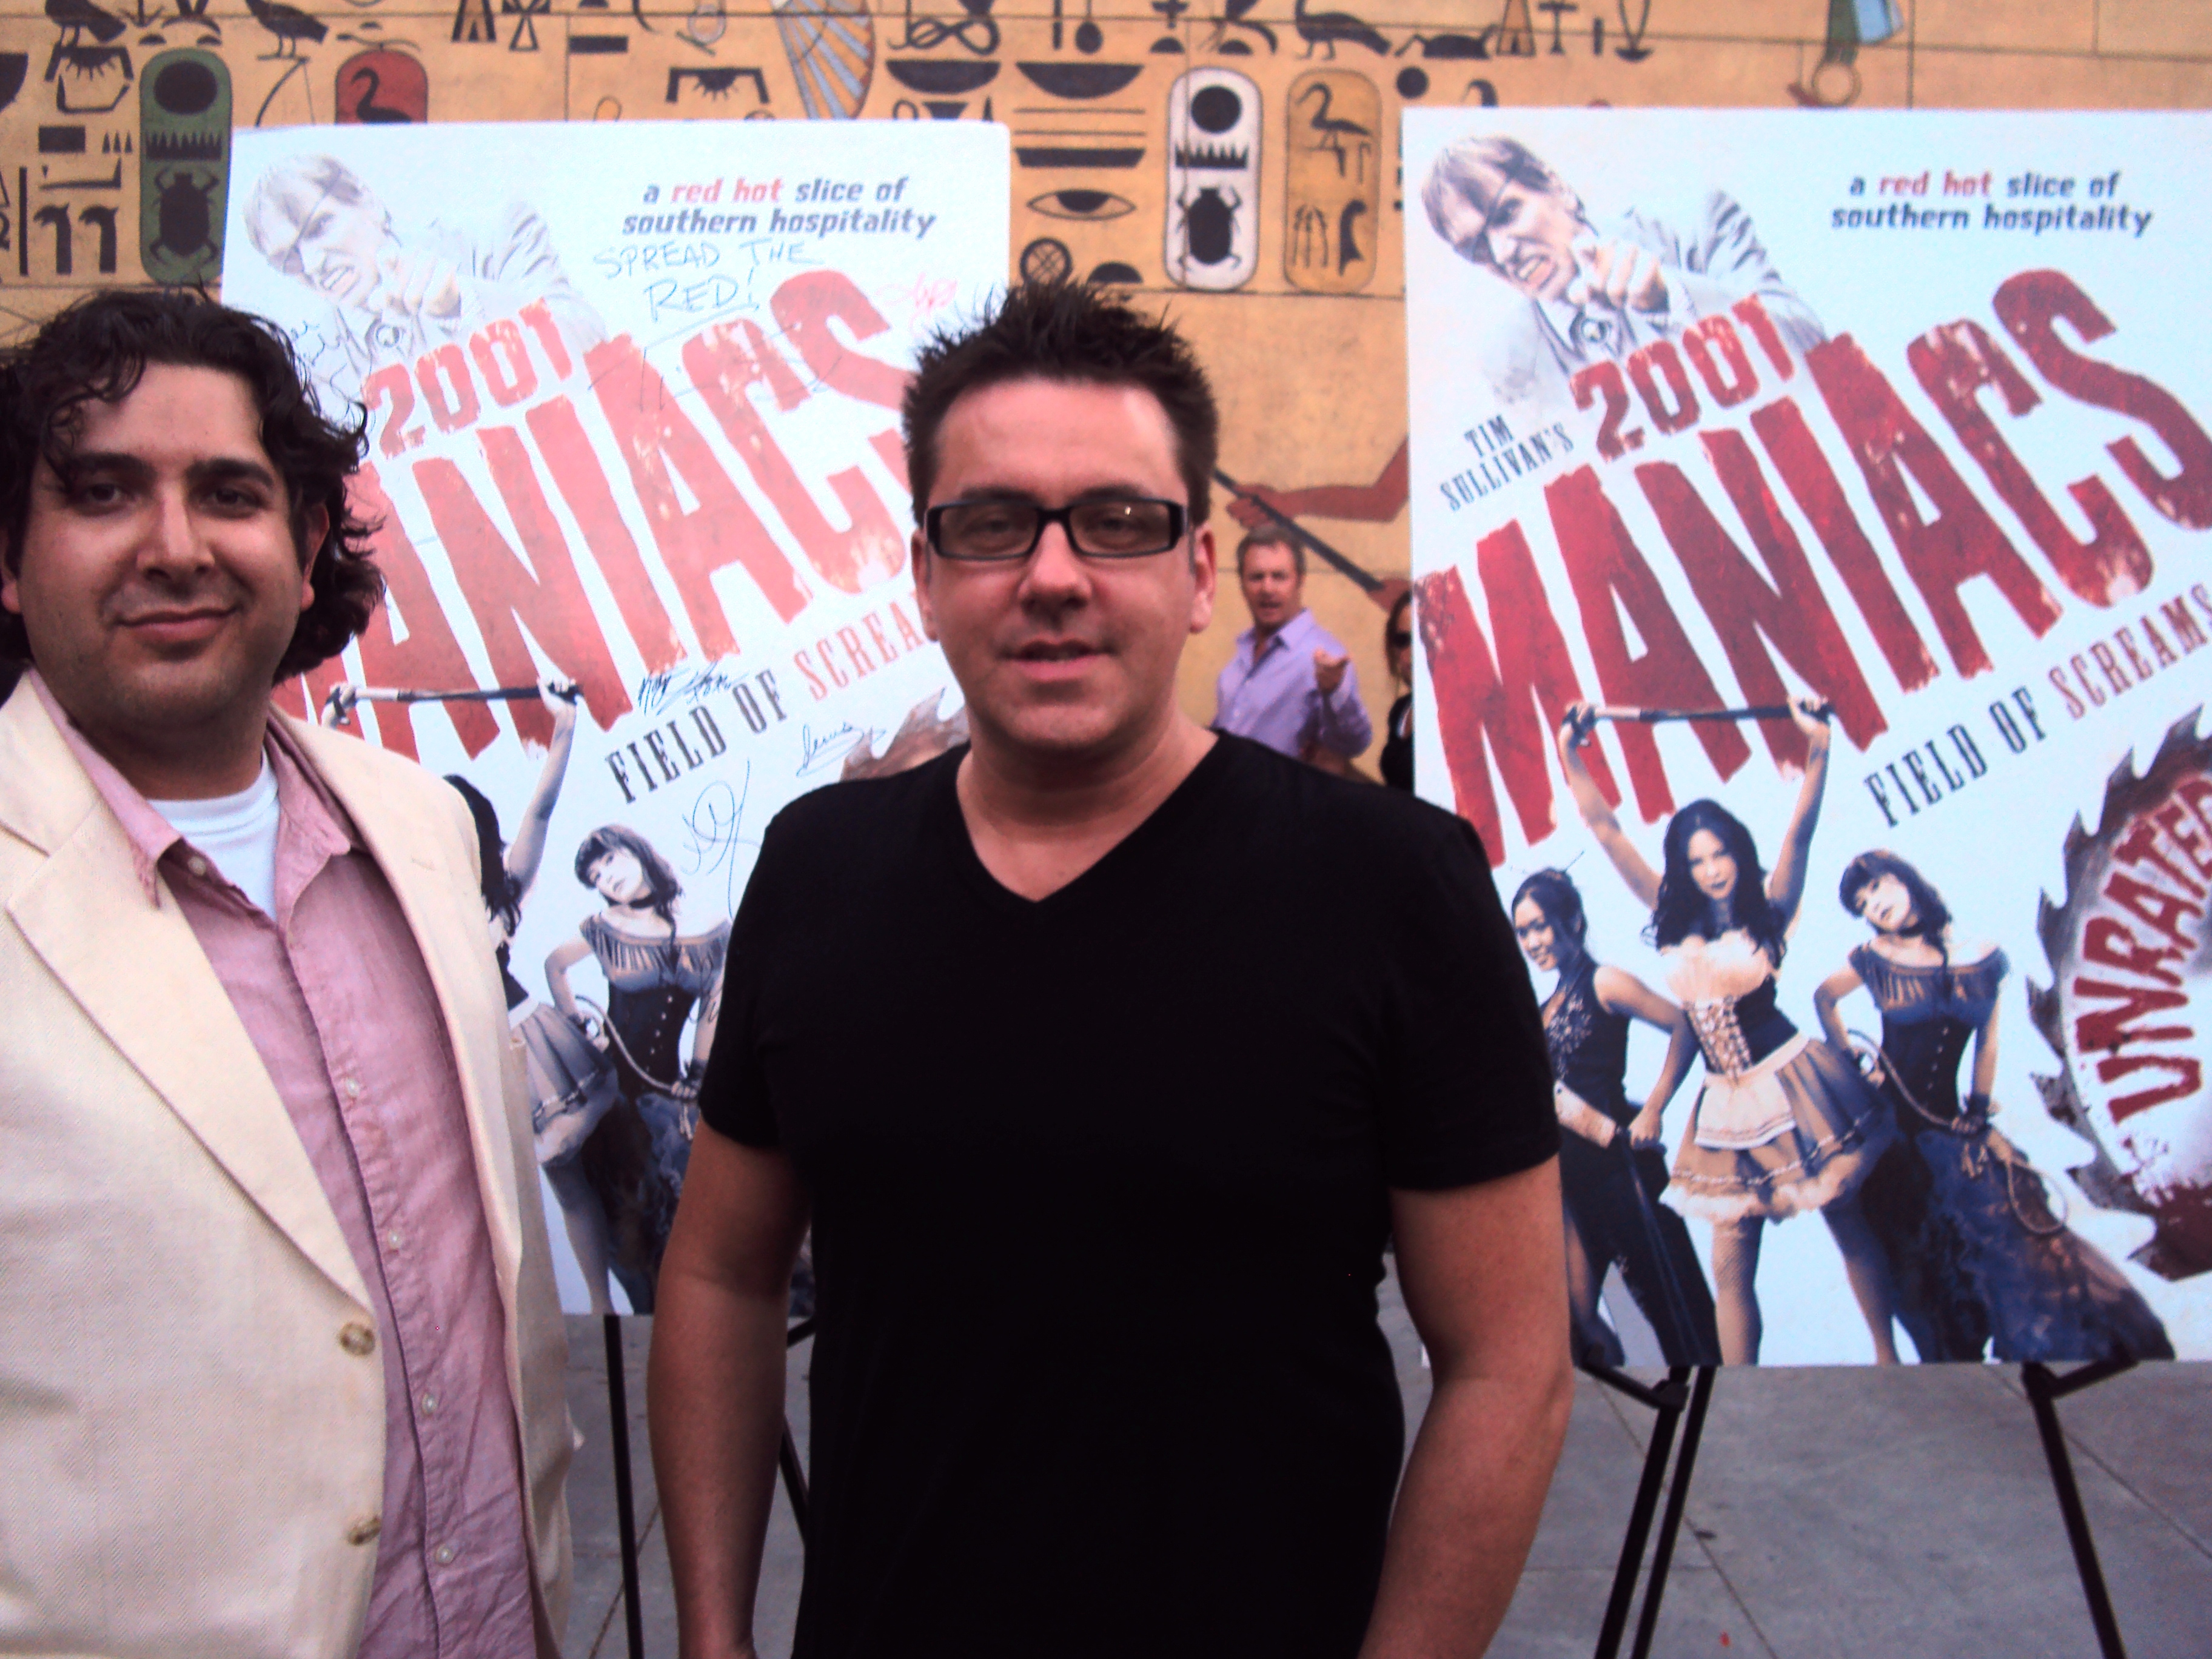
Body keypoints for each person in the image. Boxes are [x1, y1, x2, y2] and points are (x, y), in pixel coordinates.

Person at [650, 283, 1570, 1659]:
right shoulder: (818, 867)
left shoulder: (1398, 885)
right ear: (925, 569)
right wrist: (714, 1636)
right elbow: (721, 1273)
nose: (1056, 572)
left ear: (1200, 568)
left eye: (1120, 520)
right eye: (993, 523)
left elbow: (1509, 1362)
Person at [0, 290, 574, 1651]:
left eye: (231, 493)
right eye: (102, 492)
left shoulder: (424, 830)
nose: (176, 546)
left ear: (308, 544)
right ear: (13, 557)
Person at [1557, 696, 1902, 1365]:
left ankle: (1890, 1361)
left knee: (1847, 1221)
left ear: (1738, 853)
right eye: (1697, 861)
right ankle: (1730, 1396)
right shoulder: (1668, 911)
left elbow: (1801, 831)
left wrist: (1819, 747)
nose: (1712, 870)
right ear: (1682, 869)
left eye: (1721, 855)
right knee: (1729, 1261)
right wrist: (1570, 753)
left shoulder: (1771, 907)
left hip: (1797, 1080)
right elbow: (1606, 830)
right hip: (1723, 1101)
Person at [1814, 851, 2173, 1363]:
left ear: (1905, 878)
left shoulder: (1982, 956)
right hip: (1891, 1137)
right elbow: (1824, 998)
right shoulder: (1873, 956)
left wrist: (1978, 1110)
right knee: (1921, 1276)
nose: (1875, 904)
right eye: (1862, 902)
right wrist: (1852, 1059)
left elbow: (1987, 1043)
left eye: (1878, 887)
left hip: (1951, 1132)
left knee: (2020, 1247)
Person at [450, 675, 630, 1316]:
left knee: (581, 1179)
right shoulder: (408, 904)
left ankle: (607, 1307)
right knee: (536, 1193)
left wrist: (565, 727)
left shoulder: (497, 889)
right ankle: (573, 1311)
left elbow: (542, 811)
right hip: (475, 1057)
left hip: (533, 1042)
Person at [1419, 134, 1825, 419]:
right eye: (1477, 249)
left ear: (1556, 186)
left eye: (1507, 214)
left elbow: (1812, 346)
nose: (1504, 252)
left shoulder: (1697, 225)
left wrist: (1671, 298)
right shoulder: (1508, 361)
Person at [1512, 869, 1721, 1367]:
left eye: (1541, 925)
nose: (1534, 941)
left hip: (1620, 1170)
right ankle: (1627, 1412)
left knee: (1674, 1311)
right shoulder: (1541, 1010)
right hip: (1570, 1183)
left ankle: (1713, 1420)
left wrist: (1654, 1108)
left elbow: (1684, 1025)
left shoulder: (1603, 981)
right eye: (1523, 932)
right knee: (1572, 1317)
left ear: (1574, 921)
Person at [242, 151, 606, 398]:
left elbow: (591, 343)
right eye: (289, 259)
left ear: (366, 200)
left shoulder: (494, 235)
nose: (311, 264)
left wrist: (460, 302)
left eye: (320, 227)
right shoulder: (311, 364)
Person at [545, 824, 729, 1315]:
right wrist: (576, 1023)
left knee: (698, 1226)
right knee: (633, 1230)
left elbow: (716, 998)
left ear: (636, 850)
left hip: (671, 1097)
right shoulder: (605, 927)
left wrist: (698, 1077)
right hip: (612, 1095)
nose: (607, 879)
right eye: (596, 876)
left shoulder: (707, 925)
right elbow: (554, 965)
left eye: (610, 862)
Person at [1213, 523, 1373, 772]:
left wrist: (1335, 692)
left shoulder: (1322, 657)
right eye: (1257, 577)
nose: (1267, 589)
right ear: (1242, 585)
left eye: (1279, 577)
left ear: (1300, 581)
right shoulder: (1240, 657)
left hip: (1281, 807)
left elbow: (1353, 743)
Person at [1379, 587, 1415, 792]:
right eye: (1403, 641)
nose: (1411, 653)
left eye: (1422, 636)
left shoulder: (1462, 712)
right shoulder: (1401, 710)